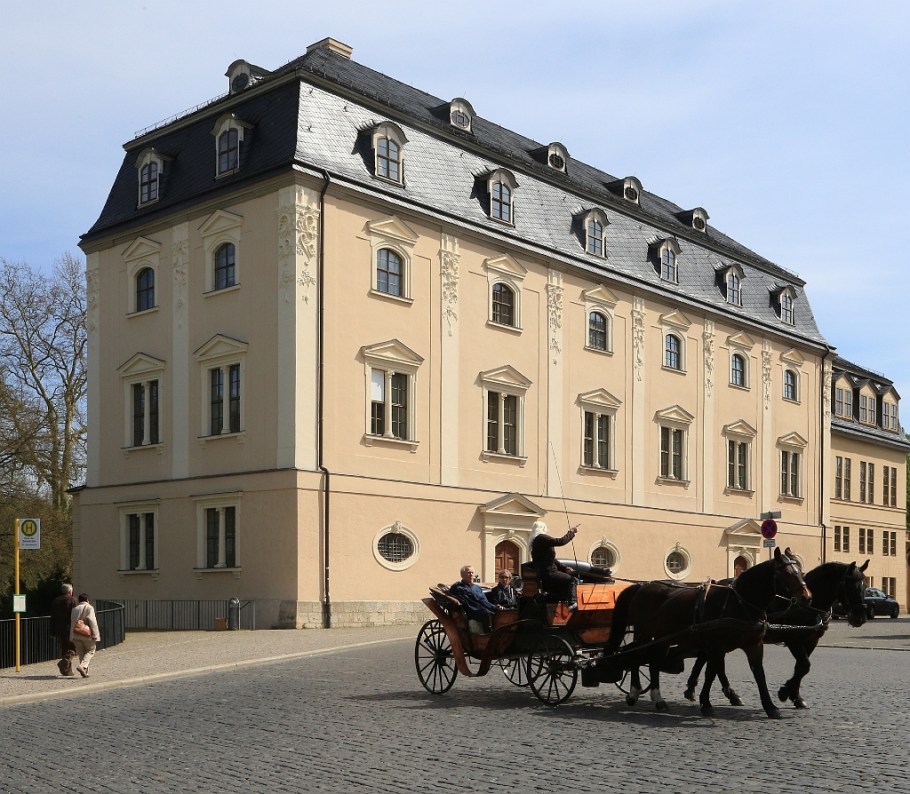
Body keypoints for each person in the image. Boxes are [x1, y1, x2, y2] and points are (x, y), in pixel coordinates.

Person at [530, 520, 579, 610]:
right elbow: (560, 541)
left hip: (545, 574)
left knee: (562, 590)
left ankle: (547, 603)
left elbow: (553, 560)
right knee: (573, 580)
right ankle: (572, 603)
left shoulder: (536, 541)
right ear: (543, 529)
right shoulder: (541, 538)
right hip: (549, 573)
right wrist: (571, 532)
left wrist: (565, 568)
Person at [449, 564, 502, 632]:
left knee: (500, 613)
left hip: (482, 608)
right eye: (468, 573)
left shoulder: (477, 587)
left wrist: (494, 607)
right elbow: (472, 602)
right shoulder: (459, 588)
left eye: (472, 572)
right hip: (472, 610)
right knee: (487, 613)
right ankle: (488, 634)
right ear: (462, 575)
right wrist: (492, 607)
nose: (471, 574)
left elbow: (484, 600)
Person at [69, 593, 101, 678]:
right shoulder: (89, 607)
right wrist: (95, 634)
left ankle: (85, 672)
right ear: (87, 600)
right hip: (86, 634)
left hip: (75, 634)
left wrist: (71, 635)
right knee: (91, 651)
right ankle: (82, 666)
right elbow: (92, 621)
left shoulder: (74, 609)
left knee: (81, 652)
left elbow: (72, 623)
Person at [51, 583, 77, 676]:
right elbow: (75, 615)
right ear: (70, 591)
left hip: (58, 628)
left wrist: (53, 630)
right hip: (69, 628)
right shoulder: (72, 600)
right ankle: (64, 662)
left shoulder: (56, 600)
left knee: (64, 648)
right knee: (73, 648)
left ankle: (67, 671)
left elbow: (53, 616)